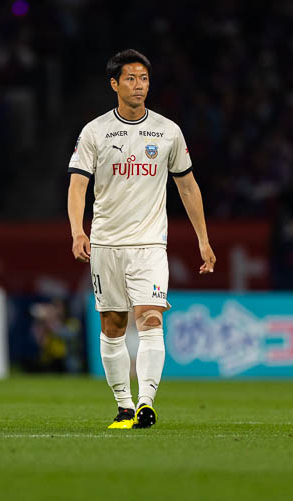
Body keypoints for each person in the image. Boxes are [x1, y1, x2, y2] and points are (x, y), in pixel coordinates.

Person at [67, 49, 216, 429]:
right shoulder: (95, 131)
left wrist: (203, 239)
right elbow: (78, 185)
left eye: (144, 79)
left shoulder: (168, 131)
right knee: (113, 325)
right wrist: (78, 231)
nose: (139, 85)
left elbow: (188, 187)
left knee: (150, 318)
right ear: (114, 84)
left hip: (149, 244)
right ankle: (124, 406)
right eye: (131, 78)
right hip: (106, 243)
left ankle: (146, 403)